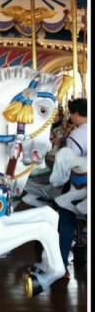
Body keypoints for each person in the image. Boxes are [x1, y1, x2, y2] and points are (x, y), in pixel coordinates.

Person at [57, 98, 87, 278]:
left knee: (64, 220)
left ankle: (61, 264)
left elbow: (70, 165)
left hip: (80, 183)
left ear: (75, 114)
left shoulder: (77, 135)